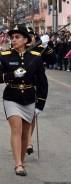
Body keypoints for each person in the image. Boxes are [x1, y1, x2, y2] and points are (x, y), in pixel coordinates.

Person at [0, 24, 48, 176]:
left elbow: (43, 82)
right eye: (12, 37)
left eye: (17, 37)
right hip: (12, 97)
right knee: (16, 128)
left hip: (29, 98)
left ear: (25, 39)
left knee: (25, 132)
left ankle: (21, 161)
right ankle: (18, 164)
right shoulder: (5, 56)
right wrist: (12, 75)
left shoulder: (35, 57)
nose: (14, 40)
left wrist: (40, 104)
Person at [26, 27, 56, 155]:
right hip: (20, 86)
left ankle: (28, 141)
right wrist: (39, 45)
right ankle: (24, 140)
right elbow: (27, 54)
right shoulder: (18, 49)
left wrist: (46, 46)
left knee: (32, 116)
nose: (29, 38)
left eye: (31, 35)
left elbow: (53, 60)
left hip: (37, 84)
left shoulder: (40, 48)